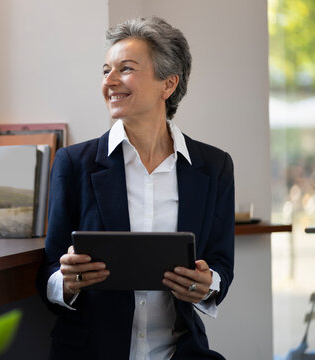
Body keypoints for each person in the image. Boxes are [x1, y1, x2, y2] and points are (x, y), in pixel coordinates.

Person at [36, 16, 234, 360]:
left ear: (168, 85)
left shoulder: (214, 167)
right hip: (89, 351)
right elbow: (50, 269)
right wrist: (66, 282)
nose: (110, 81)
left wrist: (208, 283)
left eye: (125, 69)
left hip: (181, 352)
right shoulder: (73, 164)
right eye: (105, 70)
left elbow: (220, 263)